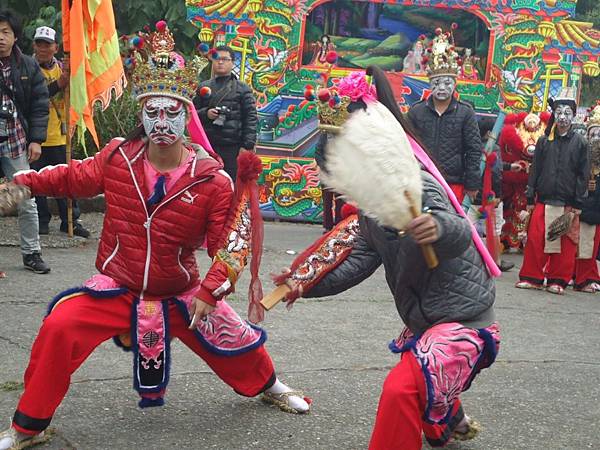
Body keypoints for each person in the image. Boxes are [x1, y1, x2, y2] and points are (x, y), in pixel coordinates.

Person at [0, 22, 309, 450]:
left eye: (172, 112)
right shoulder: (118, 158)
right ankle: (26, 427)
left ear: (186, 115)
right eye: (153, 111)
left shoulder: (211, 181)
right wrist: (27, 182)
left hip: (178, 289)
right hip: (118, 285)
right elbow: (73, 177)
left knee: (235, 338)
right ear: (142, 113)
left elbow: (230, 246)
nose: (161, 122)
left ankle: (272, 385)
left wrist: (210, 289)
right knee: (59, 326)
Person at [281, 66, 500, 449]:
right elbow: (358, 261)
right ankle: (452, 421)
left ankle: (442, 415)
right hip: (426, 323)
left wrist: (437, 228)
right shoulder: (373, 202)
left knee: (401, 390)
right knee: (422, 377)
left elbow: (460, 229)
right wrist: (304, 285)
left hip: (463, 321)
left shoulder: (416, 180)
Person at [516, 87, 590, 294]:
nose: (563, 117)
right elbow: (535, 170)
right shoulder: (543, 141)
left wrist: (578, 203)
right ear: (554, 114)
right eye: (559, 112)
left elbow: (583, 175)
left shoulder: (581, 143)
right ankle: (533, 277)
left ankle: (559, 280)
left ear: (574, 115)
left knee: (565, 243)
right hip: (544, 199)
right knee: (535, 239)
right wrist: (530, 196)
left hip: (567, 201)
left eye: (567, 113)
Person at [0, 9, 50, 274]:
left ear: (15, 36)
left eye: (5, 32)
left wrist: (36, 140)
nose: (0, 38)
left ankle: (32, 253)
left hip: (16, 142)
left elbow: (40, 104)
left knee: (25, 198)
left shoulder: (28, 65)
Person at [408, 27, 482, 204]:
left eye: (447, 83)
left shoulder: (465, 112)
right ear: (430, 83)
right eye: (436, 83)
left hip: (453, 184)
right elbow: (406, 145)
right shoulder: (416, 111)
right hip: (422, 181)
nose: (441, 88)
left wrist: (472, 184)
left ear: (455, 83)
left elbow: (473, 150)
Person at [31, 26, 90, 238]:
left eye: (47, 44)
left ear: (56, 47)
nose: (43, 48)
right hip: (35, 138)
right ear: (33, 45)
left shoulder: (63, 68)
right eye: (39, 44)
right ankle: (41, 220)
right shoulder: (28, 69)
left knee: (65, 181)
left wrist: (72, 76)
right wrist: (59, 84)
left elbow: (80, 93)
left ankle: (70, 220)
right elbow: (33, 96)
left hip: (60, 136)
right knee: (36, 183)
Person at [193, 45, 257, 180]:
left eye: (224, 59)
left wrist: (247, 146)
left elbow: (250, 118)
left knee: (229, 184)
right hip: (207, 146)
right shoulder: (203, 87)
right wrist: (206, 114)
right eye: (216, 58)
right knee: (205, 183)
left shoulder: (242, 88)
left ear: (232, 62)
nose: (220, 62)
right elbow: (191, 115)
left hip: (232, 148)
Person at [466, 116, 515, 271]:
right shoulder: (494, 149)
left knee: (468, 227)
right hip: (489, 197)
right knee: (493, 230)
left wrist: (509, 166)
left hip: (472, 196)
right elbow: (495, 172)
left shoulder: (472, 147)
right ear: (489, 133)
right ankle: (495, 261)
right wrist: (498, 195)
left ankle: (469, 260)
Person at [498, 112, 550, 251]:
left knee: (534, 212)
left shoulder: (546, 130)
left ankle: (529, 242)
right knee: (513, 209)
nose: (532, 123)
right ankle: (508, 240)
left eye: (535, 122)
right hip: (517, 181)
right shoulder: (515, 129)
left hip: (538, 182)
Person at [573, 104, 600, 293]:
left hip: (596, 209)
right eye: (593, 134)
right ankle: (580, 277)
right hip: (583, 207)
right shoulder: (581, 154)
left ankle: (589, 276)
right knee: (580, 244)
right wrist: (586, 187)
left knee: (591, 245)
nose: (596, 138)